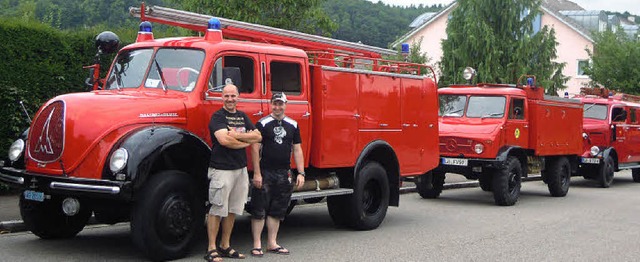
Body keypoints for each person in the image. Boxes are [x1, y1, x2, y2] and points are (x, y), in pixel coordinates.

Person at [205, 84, 262, 262]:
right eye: (227, 96)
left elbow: (259, 136)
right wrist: (246, 140)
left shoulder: (242, 116)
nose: (230, 99)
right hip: (221, 170)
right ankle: (211, 248)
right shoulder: (218, 117)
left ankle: (225, 245)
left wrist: (236, 135)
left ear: (238, 97)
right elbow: (224, 140)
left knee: (232, 210)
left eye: (233, 96)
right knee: (217, 209)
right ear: (222, 97)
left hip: (240, 170)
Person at [249, 92, 305, 257]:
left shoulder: (293, 125)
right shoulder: (262, 124)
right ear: (271, 104)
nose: (277, 107)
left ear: (286, 105)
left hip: (284, 173)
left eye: (280, 104)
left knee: (277, 210)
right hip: (265, 172)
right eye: (275, 103)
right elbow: (254, 147)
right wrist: (257, 173)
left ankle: (272, 243)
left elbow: (297, 149)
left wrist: (300, 172)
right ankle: (257, 244)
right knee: (259, 209)